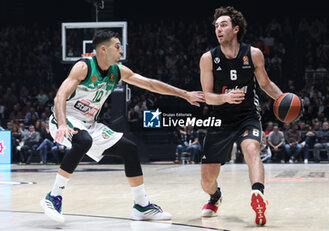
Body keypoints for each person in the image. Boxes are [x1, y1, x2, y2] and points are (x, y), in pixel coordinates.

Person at [40, 30, 205, 223]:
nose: (121, 51)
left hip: (89, 124)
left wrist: (184, 94)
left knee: (130, 149)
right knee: (83, 140)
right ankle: (53, 196)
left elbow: (150, 84)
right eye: (117, 46)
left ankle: (141, 206)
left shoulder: (118, 71)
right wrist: (61, 124)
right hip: (65, 118)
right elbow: (60, 96)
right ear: (103, 49)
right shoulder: (83, 66)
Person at [199, 6, 284, 226]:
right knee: (207, 180)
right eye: (216, 26)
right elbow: (207, 96)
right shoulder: (208, 59)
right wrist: (224, 98)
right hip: (220, 118)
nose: (218, 29)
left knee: (251, 148)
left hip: (247, 115)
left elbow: (265, 84)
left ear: (235, 29)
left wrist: (283, 99)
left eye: (223, 25)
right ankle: (215, 196)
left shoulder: (253, 54)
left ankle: (258, 194)